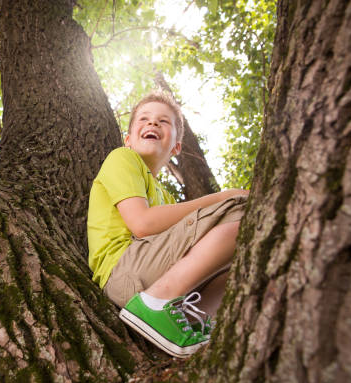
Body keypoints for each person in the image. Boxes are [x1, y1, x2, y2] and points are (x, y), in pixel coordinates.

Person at [87, 92, 248, 358]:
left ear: (176, 147)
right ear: (128, 140)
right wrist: (222, 197)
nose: (152, 124)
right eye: (144, 119)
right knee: (239, 212)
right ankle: (156, 303)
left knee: (244, 249)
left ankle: (197, 322)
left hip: (152, 271)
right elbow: (142, 223)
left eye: (163, 122)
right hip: (124, 271)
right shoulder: (122, 158)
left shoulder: (166, 197)